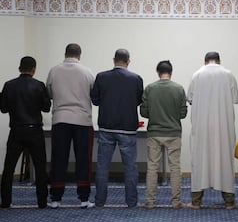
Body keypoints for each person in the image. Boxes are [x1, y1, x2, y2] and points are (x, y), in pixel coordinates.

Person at [187, 51, 238, 209]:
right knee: (224, 161)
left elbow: (189, 98)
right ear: (219, 61)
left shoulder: (197, 75)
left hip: (201, 126)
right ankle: (229, 201)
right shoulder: (228, 74)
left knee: (199, 160)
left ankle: (196, 201)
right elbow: (236, 99)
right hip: (223, 127)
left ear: (204, 61)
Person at [91, 49, 143, 208]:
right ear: (128, 61)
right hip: (127, 128)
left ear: (114, 60)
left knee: (102, 166)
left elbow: (95, 100)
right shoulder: (136, 79)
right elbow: (139, 100)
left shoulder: (101, 77)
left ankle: (100, 201)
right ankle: (131, 202)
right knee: (130, 167)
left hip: (106, 126)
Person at [46, 43, 95, 209]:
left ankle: (55, 199)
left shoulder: (54, 70)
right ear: (79, 55)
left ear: (65, 53)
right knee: (83, 160)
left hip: (60, 119)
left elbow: (50, 94)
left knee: (59, 159)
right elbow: (93, 94)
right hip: (82, 121)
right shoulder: (87, 72)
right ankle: (84, 198)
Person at [0, 56, 51, 208]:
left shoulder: (9, 85)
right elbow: (46, 107)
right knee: (40, 167)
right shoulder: (39, 85)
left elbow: (3, 109)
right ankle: (42, 202)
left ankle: (6, 201)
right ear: (34, 69)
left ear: (19, 68)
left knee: (8, 168)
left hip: (16, 130)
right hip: (35, 130)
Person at [140, 60, 187, 209]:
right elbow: (183, 113)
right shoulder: (179, 89)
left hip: (154, 132)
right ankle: (176, 201)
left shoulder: (149, 88)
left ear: (157, 72)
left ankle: (150, 201)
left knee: (152, 167)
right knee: (175, 167)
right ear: (171, 72)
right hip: (173, 133)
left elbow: (143, 111)